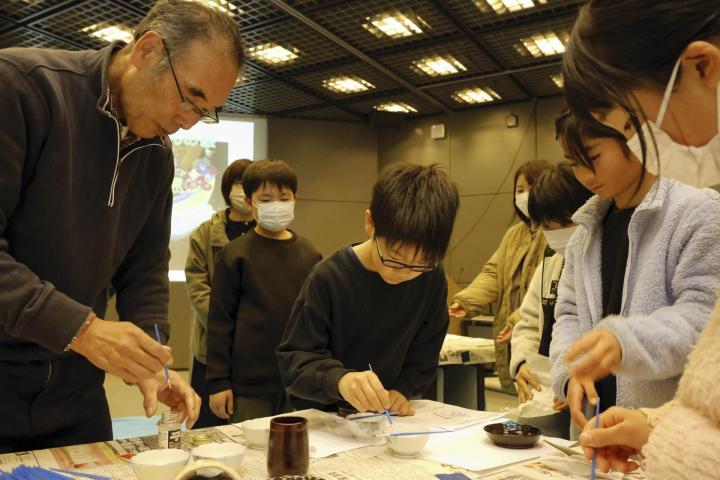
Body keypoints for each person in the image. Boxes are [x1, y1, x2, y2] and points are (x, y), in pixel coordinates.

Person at [0, 0, 243, 451]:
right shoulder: (22, 87)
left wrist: (153, 362)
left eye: (206, 110)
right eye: (190, 96)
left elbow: (145, 269)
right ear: (148, 50)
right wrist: (83, 329)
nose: (188, 122)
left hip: (76, 396)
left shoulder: (157, 153)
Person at [558, 2, 720, 477]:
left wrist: (663, 435)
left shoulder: (697, 207)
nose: (646, 142)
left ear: (702, 66)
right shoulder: (588, 227)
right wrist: (655, 426)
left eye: (635, 123)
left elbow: (698, 321)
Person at [551, 110, 720, 439]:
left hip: (668, 436)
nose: (585, 175)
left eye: (594, 157)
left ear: (634, 137)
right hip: (594, 436)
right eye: (573, 162)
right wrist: (570, 372)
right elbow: (568, 314)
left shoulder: (698, 210)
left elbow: (706, 319)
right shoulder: (584, 233)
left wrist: (624, 341)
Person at [276, 163, 459, 415]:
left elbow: (426, 352)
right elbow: (294, 360)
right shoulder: (329, 277)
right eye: (394, 259)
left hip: (387, 419)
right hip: (326, 420)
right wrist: (340, 380)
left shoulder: (431, 276)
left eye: (419, 265)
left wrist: (403, 389)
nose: (405, 273)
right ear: (370, 223)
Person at [206, 159, 321, 422]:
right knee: (251, 455)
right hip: (249, 385)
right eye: (266, 199)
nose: (276, 206)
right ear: (249, 202)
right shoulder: (235, 254)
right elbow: (220, 322)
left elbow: (317, 318)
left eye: (284, 198)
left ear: (295, 200)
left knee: (296, 452)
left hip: (297, 381)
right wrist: (218, 382)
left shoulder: (309, 252)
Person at [449, 160, 550, 392]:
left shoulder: (554, 233)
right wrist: (467, 301)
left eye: (531, 188)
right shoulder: (514, 234)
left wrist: (518, 319)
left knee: (542, 393)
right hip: (511, 333)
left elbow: (545, 290)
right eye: (519, 190)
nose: (524, 196)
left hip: (538, 333)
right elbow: (493, 272)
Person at [510, 163, 592, 439]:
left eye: (565, 224)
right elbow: (529, 321)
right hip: (547, 394)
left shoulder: (603, 265)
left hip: (590, 395)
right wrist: (521, 363)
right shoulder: (551, 264)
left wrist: (572, 378)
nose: (556, 234)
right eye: (547, 227)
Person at [185, 159, 256, 429]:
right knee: (208, 427)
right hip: (211, 349)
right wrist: (230, 326)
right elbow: (198, 289)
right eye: (238, 184)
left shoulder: (269, 234)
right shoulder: (204, 234)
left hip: (255, 351)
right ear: (227, 188)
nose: (243, 191)